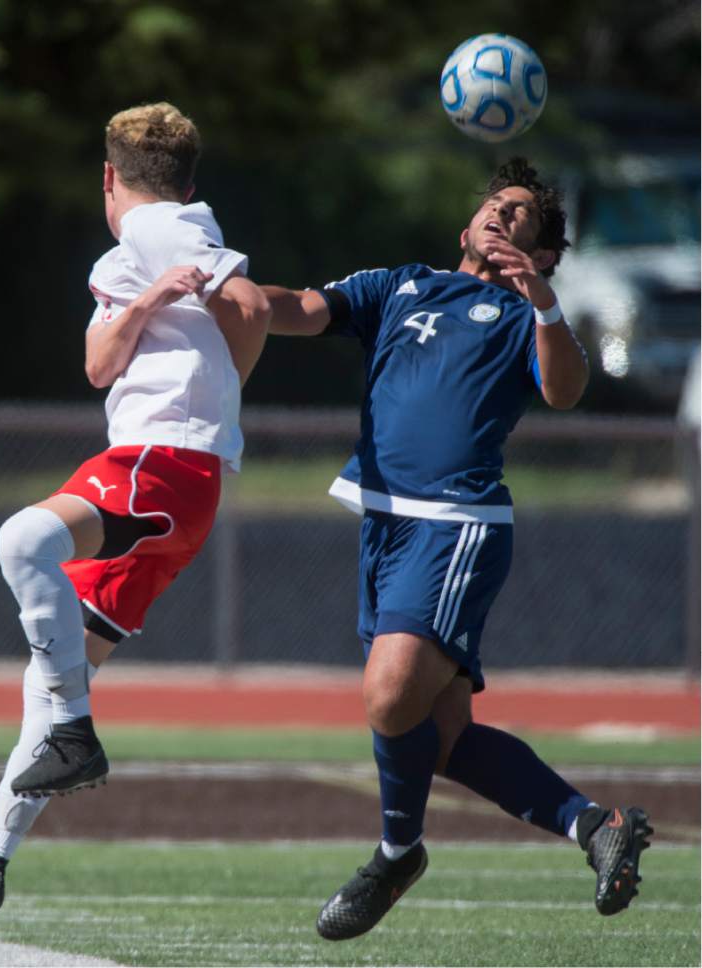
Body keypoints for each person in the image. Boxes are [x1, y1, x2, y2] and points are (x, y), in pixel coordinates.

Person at [0, 102, 271, 946]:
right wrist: (152, 309)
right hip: (175, 483)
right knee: (53, 672)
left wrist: (211, 407)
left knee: (21, 539)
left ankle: (75, 736)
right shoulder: (136, 256)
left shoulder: (163, 228)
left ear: (108, 178)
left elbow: (244, 305)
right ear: (191, 176)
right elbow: (101, 365)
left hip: (162, 461)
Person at [261, 158, 653, 941]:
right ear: (465, 226)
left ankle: (396, 852)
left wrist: (541, 297)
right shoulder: (401, 284)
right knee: (440, 741)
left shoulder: (523, 315)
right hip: (382, 521)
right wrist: (228, 296)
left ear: (541, 257)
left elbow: (565, 387)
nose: (503, 218)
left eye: (524, 220)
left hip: (455, 523)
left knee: (389, 693)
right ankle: (595, 826)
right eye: (495, 207)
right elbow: (302, 309)